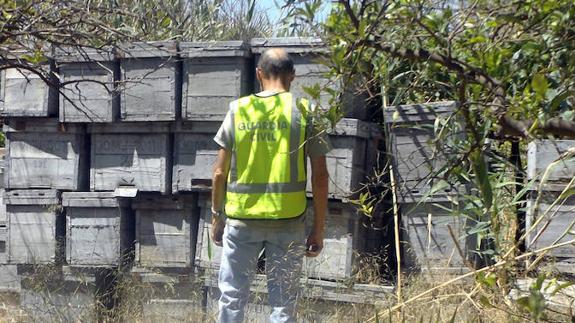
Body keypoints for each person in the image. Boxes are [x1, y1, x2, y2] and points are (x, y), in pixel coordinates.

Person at [210, 47, 331, 323]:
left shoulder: (239, 109)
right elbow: (321, 176)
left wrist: (217, 216)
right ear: (293, 77)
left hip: (241, 221)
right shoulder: (305, 111)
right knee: (283, 305)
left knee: (231, 298)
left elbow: (219, 173)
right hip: (287, 221)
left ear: (258, 74)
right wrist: (318, 229)